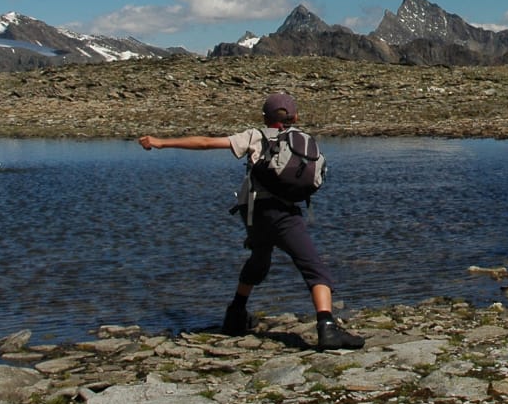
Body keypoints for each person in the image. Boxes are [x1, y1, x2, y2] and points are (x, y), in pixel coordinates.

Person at [137, 92, 364, 350]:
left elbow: (206, 143)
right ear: (295, 117)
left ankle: (235, 315)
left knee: (259, 259)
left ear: (265, 117)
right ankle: (327, 328)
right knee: (314, 268)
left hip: (255, 214)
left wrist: (161, 142)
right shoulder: (302, 139)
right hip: (285, 214)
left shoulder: (255, 136)